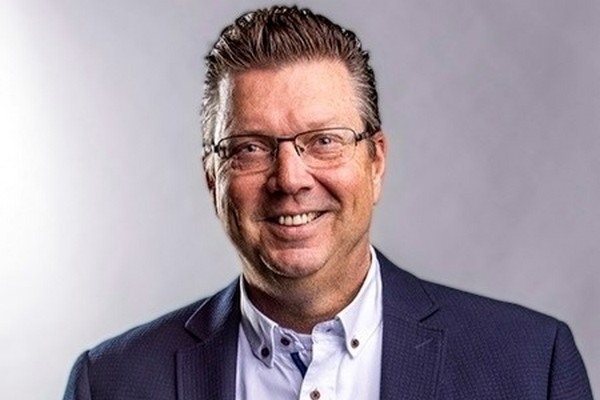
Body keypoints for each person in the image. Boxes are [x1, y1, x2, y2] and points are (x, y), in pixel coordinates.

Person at [63, 6, 593, 399]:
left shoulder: (530, 367)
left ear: (375, 161)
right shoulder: (111, 383)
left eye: (323, 141)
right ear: (212, 177)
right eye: (250, 148)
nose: (290, 179)